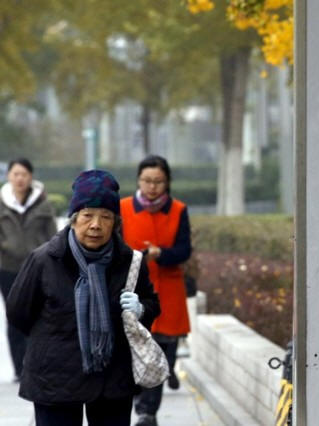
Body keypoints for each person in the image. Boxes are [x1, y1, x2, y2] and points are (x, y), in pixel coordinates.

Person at [6, 169, 160, 426]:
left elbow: (152, 304)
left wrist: (140, 309)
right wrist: (51, 341)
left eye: (105, 217)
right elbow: (18, 312)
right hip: (55, 379)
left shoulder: (130, 262)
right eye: (87, 215)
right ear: (74, 219)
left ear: (115, 223)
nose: (96, 225)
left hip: (112, 379)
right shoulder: (44, 260)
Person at [120, 155, 191, 426]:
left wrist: (161, 254)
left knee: (163, 352)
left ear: (167, 182)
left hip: (168, 291)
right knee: (136, 350)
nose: (152, 187)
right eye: (147, 181)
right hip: (132, 290)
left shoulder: (178, 210)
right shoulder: (123, 208)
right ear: (138, 181)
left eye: (158, 181)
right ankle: (143, 407)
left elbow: (184, 250)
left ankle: (148, 411)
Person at [0, 158, 57, 382]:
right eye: (15, 174)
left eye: (24, 174)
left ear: (31, 176)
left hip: (37, 269)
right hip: (7, 268)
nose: (20, 178)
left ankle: (36, 364)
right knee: (14, 315)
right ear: (9, 176)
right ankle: (19, 369)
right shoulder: (2, 202)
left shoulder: (43, 203)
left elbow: (52, 235)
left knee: (37, 316)